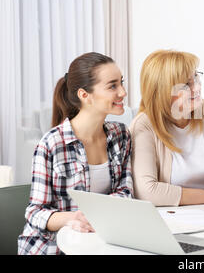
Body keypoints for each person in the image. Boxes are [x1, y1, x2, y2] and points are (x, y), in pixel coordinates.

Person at [17, 52, 133, 255]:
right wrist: (71, 218)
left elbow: (126, 192)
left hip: (97, 244)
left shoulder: (121, 136)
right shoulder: (51, 144)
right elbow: (35, 213)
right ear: (84, 95)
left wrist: (96, 216)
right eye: (112, 85)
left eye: (121, 83)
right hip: (51, 248)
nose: (123, 92)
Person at [129, 50, 204, 208]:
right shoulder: (144, 125)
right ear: (162, 92)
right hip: (172, 217)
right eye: (187, 84)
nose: (197, 87)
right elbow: (146, 190)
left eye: (196, 77)